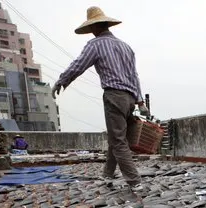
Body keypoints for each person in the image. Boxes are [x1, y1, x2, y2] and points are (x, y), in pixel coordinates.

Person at [51, 6, 149, 192]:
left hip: (114, 95)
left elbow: (78, 65)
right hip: (129, 99)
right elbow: (134, 75)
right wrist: (140, 102)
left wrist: (62, 80)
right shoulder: (125, 47)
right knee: (117, 137)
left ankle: (135, 182)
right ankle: (107, 174)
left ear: (94, 27)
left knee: (119, 141)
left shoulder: (95, 45)